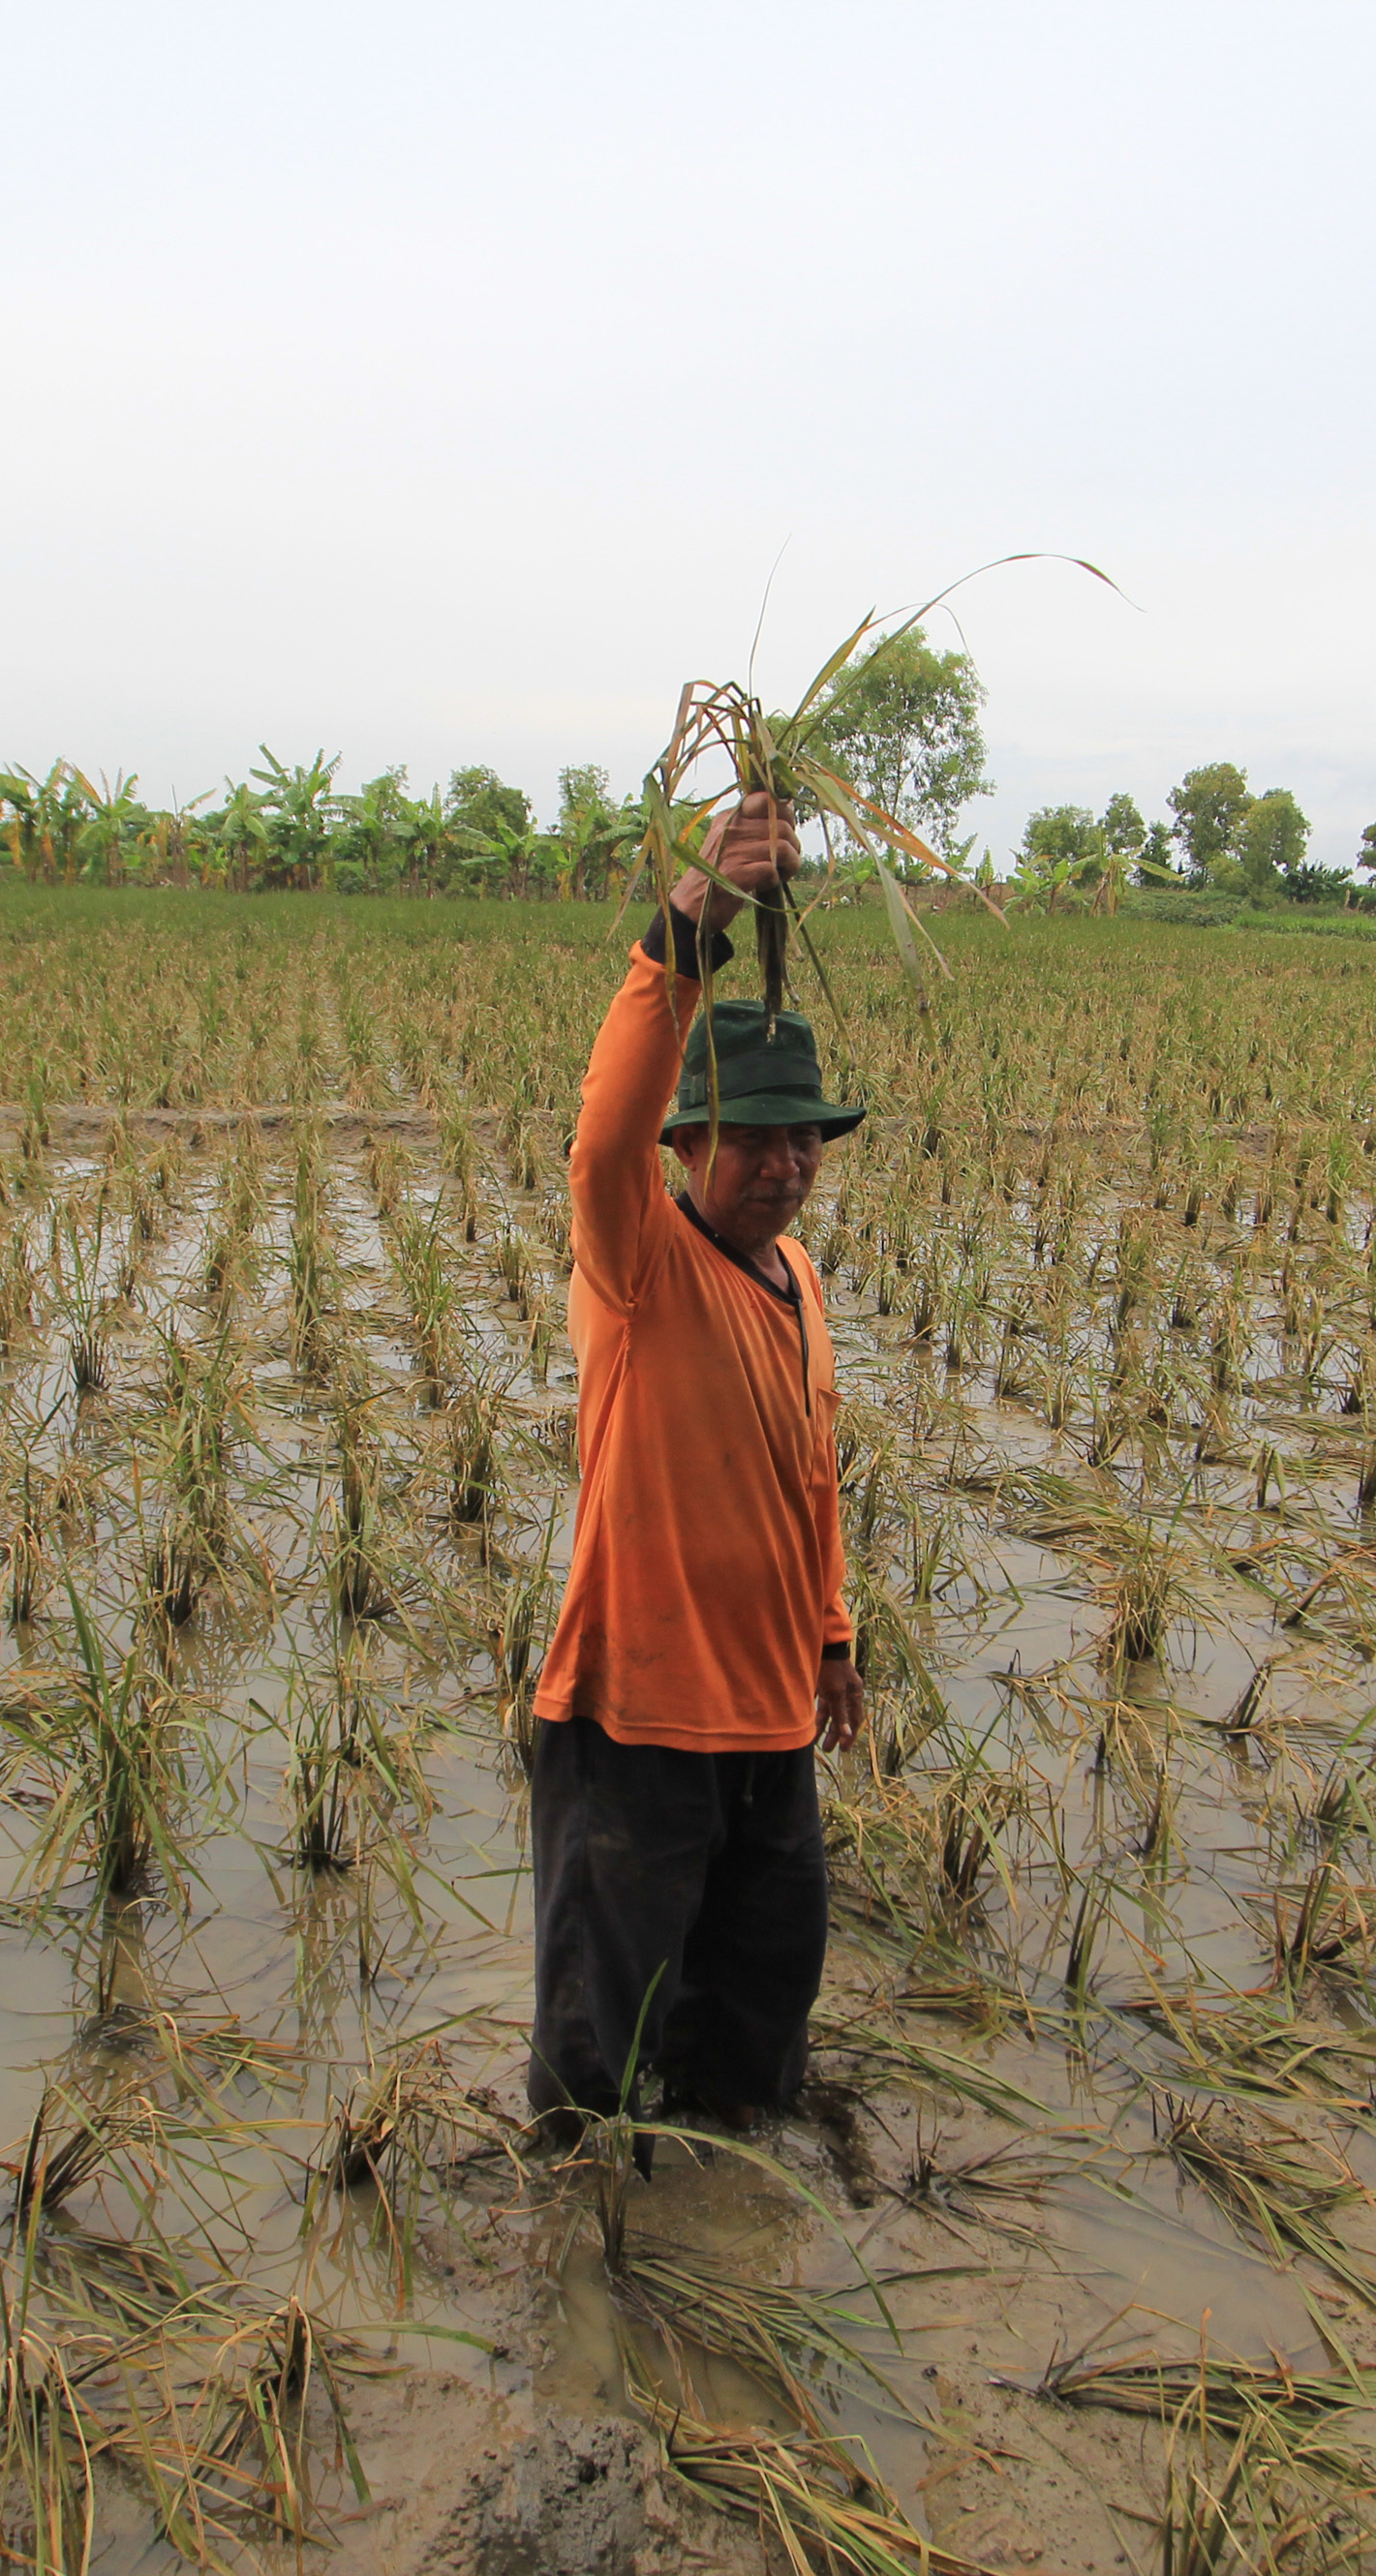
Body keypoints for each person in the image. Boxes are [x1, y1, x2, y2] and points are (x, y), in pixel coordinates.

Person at [526, 789, 866, 2143]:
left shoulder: (796, 1275)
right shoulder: (638, 1266)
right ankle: (586, 2238)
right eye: (753, 1136)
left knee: (760, 2002)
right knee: (601, 2042)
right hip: (638, 1723)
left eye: (804, 1140)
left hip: (773, 1716)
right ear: (687, 1147)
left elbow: (810, 1478)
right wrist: (698, 912)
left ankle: (731, 2210)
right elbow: (603, 1125)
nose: (784, 1167)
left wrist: (833, 1638)